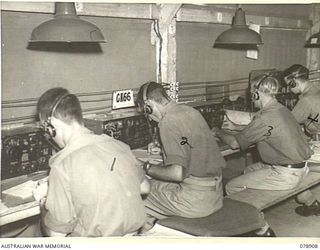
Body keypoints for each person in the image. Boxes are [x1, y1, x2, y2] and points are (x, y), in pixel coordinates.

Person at [136, 81, 274, 236]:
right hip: (215, 195)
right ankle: (151, 231)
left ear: (148, 105)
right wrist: (164, 147)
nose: (149, 117)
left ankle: (146, 237)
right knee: (155, 184)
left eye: (146, 112)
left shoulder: (167, 121)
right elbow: (189, 142)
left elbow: (177, 174)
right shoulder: (189, 111)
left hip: (195, 202)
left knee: (138, 192)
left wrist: (145, 167)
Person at [37, 87, 150, 237]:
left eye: (47, 130)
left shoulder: (62, 165)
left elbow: (55, 236)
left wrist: (44, 203)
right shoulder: (120, 146)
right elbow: (144, 188)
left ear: (53, 126)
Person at [215, 73, 311, 198]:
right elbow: (265, 129)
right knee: (248, 170)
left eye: (251, 94)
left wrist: (217, 131)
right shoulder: (280, 109)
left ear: (256, 94)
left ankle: (251, 215)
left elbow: (234, 144)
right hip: (300, 166)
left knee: (232, 186)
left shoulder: (266, 117)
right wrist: (236, 128)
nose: (250, 98)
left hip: (286, 174)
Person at [283, 64, 320, 216]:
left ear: (294, 82)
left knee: (288, 167)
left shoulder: (306, 100)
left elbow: (286, 124)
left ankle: (310, 203)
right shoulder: (316, 90)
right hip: (316, 139)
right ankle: (311, 202)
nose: (287, 90)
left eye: (288, 86)